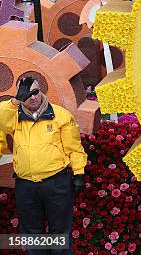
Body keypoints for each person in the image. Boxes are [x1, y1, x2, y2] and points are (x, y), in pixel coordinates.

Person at [0, 76, 87, 254]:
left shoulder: (61, 115)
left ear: (41, 91)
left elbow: (74, 147)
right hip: (26, 186)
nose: (33, 97)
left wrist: (79, 173)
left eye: (35, 92)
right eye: (27, 94)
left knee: (60, 233)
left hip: (56, 184)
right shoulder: (12, 117)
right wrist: (15, 101)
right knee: (32, 234)